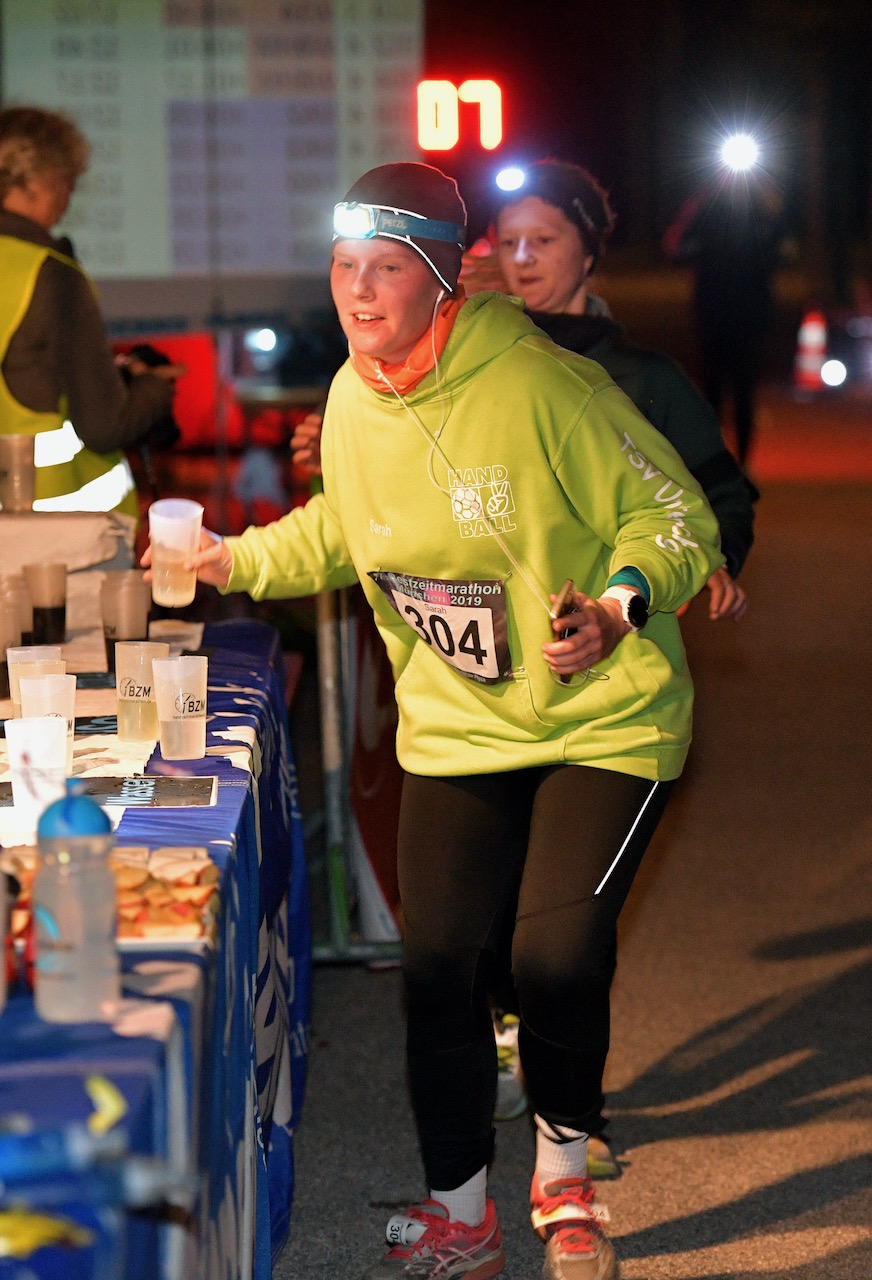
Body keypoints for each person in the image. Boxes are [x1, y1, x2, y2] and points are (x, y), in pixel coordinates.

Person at [147, 161, 724, 1280]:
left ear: (439, 280)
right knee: (441, 966)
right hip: (459, 726)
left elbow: (676, 514)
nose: (358, 294)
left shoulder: (538, 383)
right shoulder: (356, 390)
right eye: (341, 268)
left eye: (384, 271)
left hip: (602, 714)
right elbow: (339, 532)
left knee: (550, 953)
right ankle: (462, 1211)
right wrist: (228, 555)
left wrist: (614, 607)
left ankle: (561, 1172)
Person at [0, 106, 177, 517]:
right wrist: (153, 389)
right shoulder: (52, 275)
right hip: (53, 537)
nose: (69, 195)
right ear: (39, 181)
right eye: (67, 180)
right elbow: (104, 427)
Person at [663, 166, 786, 469]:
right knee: (711, 391)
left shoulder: (763, 208)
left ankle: (744, 462)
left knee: (745, 392)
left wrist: (770, 211)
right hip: (712, 312)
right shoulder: (705, 207)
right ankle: (713, 461)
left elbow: (783, 249)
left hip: (748, 314)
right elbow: (675, 250)